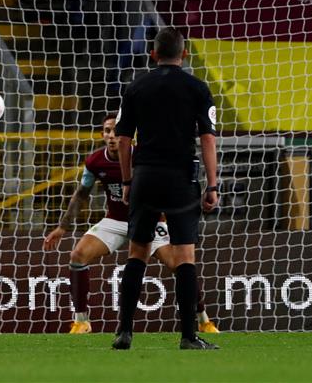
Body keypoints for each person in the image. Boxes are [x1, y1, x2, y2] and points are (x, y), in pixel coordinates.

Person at [43, 113, 219, 334]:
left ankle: (204, 320)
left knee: (179, 265)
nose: (112, 136)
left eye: (116, 132)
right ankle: (81, 322)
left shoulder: (144, 158)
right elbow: (81, 194)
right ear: (102, 134)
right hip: (116, 220)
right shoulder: (95, 162)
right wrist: (62, 227)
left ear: (129, 137)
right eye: (107, 131)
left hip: (150, 220)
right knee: (77, 256)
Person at [112, 27, 220, 350]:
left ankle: (124, 332)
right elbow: (207, 139)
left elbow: (122, 140)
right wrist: (212, 184)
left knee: (138, 252)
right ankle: (188, 336)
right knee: (185, 256)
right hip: (180, 178)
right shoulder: (198, 88)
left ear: (153, 54)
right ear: (183, 54)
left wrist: (128, 180)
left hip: (145, 176)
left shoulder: (136, 87)